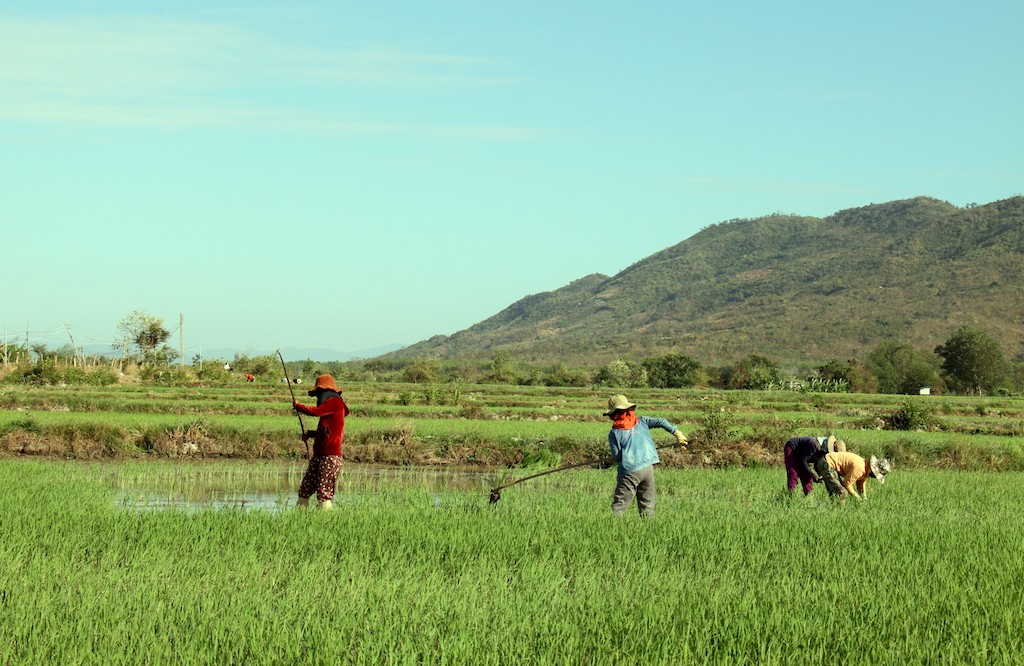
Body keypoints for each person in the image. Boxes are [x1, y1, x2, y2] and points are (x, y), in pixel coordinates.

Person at [604, 394, 688, 517]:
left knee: (619, 506)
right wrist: (677, 433)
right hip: (648, 468)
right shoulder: (642, 422)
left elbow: (617, 458)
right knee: (647, 505)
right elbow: (661, 421)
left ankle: (611, 530)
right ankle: (649, 528)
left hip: (630, 471)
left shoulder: (614, 432)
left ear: (614, 413)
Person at [292, 374, 349, 510]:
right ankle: (297, 520)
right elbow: (326, 431)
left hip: (330, 457)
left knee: (324, 493)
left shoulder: (335, 403)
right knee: (305, 490)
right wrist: (311, 434)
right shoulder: (329, 413)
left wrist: (299, 406)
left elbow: (317, 411)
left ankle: (326, 523)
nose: (318, 397)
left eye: (319, 393)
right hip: (319, 455)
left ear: (325, 392)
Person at [814, 451, 892, 504]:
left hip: (828, 463)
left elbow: (860, 483)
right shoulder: (860, 468)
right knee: (842, 492)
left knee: (835, 493)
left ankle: (833, 511)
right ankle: (840, 514)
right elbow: (847, 483)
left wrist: (864, 498)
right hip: (827, 463)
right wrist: (857, 497)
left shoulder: (865, 468)